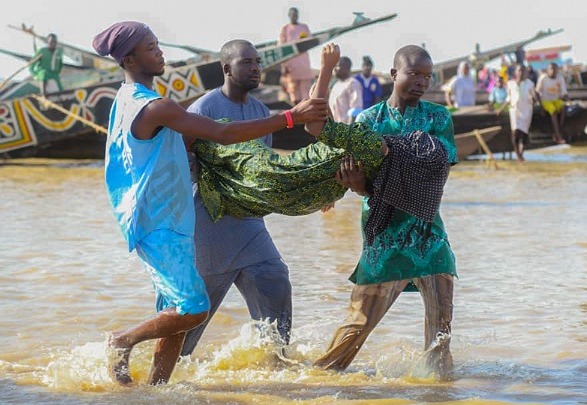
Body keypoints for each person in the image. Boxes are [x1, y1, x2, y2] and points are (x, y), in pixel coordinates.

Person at [91, 21, 327, 386]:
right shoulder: (156, 107)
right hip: (164, 219)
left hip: (162, 215)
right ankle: (122, 341)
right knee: (193, 308)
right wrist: (292, 116)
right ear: (129, 58)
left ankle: (156, 388)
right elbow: (222, 133)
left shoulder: (124, 100)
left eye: (158, 45)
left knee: (177, 306)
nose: (160, 52)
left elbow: (184, 148)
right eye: (151, 48)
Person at [312, 44, 457, 376]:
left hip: (427, 233)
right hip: (385, 234)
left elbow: (436, 166)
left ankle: (439, 390)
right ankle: (315, 381)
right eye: (414, 73)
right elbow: (365, 183)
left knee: (441, 333)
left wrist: (387, 155)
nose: (421, 81)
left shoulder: (438, 118)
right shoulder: (369, 121)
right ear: (393, 74)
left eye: (427, 76)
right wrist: (354, 184)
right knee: (356, 326)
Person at [177, 39, 296, 359]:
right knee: (195, 309)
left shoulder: (259, 111)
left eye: (258, 62)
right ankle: (168, 371)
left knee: (274, 278)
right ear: (226, 68)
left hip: (248, 219)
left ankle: (277, 362)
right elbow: (184, 165)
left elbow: (261, 165)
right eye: (247, 62)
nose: (256, 67)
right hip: (210, 218)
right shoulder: (204, 109)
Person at [496, 64, 537, 162]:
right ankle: (518, 154)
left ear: (526, 73)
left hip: (526, 109)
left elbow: (533, 96)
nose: (521, 73)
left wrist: (533, 99)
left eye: (523, 71)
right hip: (514, 110)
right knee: (515, 132)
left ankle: (521, 153)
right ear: (515, 72)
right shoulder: (510, 83)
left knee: (524, 133)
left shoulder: (529, 84)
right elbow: (509, 98)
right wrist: (502, 108)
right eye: (519, 71)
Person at [278, 7, 314, 105]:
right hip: (290, 64)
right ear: (289, 16)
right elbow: (281, 48)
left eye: (296, 14)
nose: (294, 16)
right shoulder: (285, 29)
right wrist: (283, 66)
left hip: (303, 63)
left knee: (305, 92)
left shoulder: (304, 27)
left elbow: (310, 41)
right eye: (292, 15)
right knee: (293, 92)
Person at [536, 62, 569, 144]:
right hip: (546, 100)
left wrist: (565, 97)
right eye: (551, 69)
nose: (553, 71)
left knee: (563, 107)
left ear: (558, 70)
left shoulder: (560, 77)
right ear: (547, 70)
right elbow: (537, 92)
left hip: (556, 100)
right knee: (553, 112)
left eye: (555, 69)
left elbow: (564, 92)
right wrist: (541, 106)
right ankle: (558, 136)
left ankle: (559, 130)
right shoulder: (543, 78)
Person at [329, 56, 364, 124]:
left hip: (345, 128)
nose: (335, 69)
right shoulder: (336, 85)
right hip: (335, 127)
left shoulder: (353, 84)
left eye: (337, 66)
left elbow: (355, 110)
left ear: (347, 68)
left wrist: (348, 132)